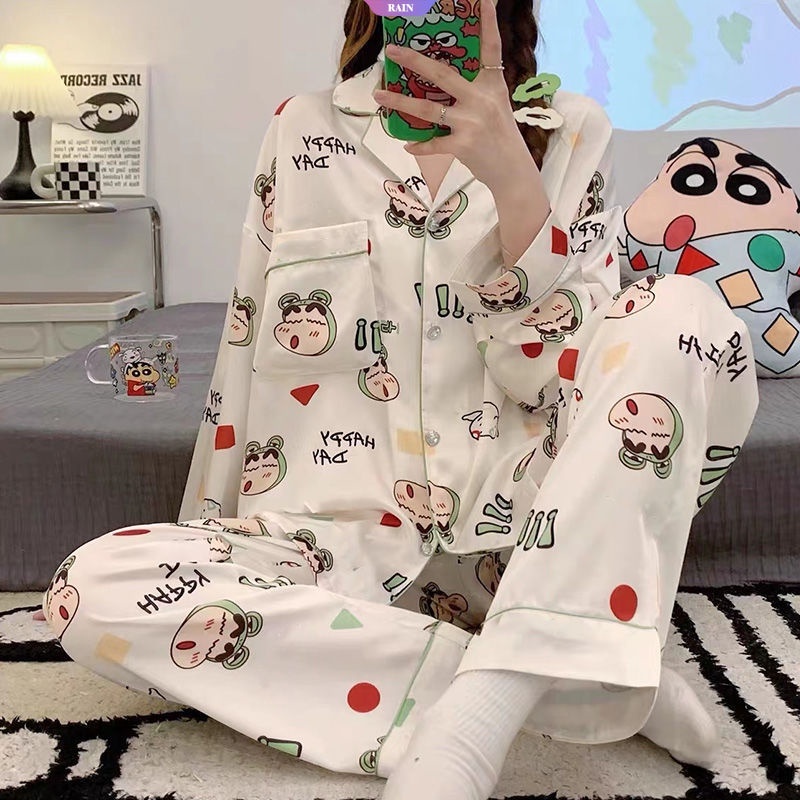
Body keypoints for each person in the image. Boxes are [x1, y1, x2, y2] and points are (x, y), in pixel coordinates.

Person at [43, 2, 759, 799]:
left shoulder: (571, 129)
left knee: (683, 312)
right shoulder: (302, 128)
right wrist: (212, 541)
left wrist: (512, 178)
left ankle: (499, 694)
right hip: (337, 547)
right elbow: (248, 340)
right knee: (93, 588)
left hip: (528, 537)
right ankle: (563, 670)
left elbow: (550, 376)